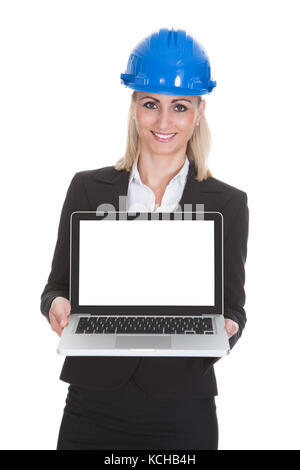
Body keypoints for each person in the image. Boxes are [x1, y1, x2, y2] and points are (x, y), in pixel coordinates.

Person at [40, 28, 249, 450]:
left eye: (180, 107)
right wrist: (56, 306)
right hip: (92, 402)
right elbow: (57, 287)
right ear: (134, 107)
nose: (164, 121)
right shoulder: (88, 189)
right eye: (151, 104)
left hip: (183, 407)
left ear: (198, 112)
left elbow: (233, 307)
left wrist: (228, 327)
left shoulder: (227, 203)